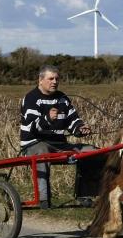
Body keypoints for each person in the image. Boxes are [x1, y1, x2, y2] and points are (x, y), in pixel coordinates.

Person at [20, 65, 97, 209]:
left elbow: (73, 120)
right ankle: (43, 200)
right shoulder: (31, 98)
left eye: (57, 79)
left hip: (59, 144)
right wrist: (47, 119)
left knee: (93, 152)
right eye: (51, 79)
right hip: (34, 143)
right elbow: (31, 128)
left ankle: (84, 195)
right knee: (42, 152)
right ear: (40, 80)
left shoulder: (62, 99)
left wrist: (80, 128)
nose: (54, 82)